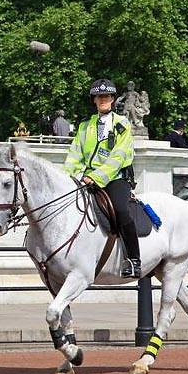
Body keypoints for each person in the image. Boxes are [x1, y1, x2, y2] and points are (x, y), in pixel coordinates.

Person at [63, 78, 141, 278]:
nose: (104, 100)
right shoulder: (84, 126)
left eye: (107, 96)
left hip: (115, 178)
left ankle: (133, 260)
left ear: (113, 99)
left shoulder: (122, 124)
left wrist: (96, 177)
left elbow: (119, 156)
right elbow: (74, 154)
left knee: (122, 211)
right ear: (94, 101)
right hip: (87, 178)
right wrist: (72, 176)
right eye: (100, 97)